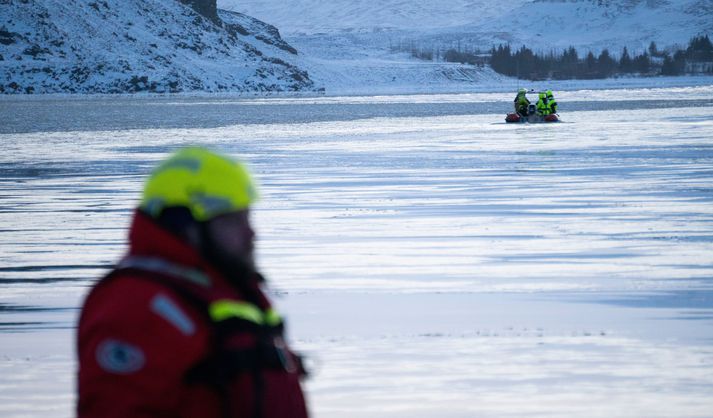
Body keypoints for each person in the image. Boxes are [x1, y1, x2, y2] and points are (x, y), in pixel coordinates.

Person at [77, 147, 309, 418]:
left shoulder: (226, 290)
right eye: (231, 221)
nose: (251, 233)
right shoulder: (135, 307)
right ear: (184, 225)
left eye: (247, 217)